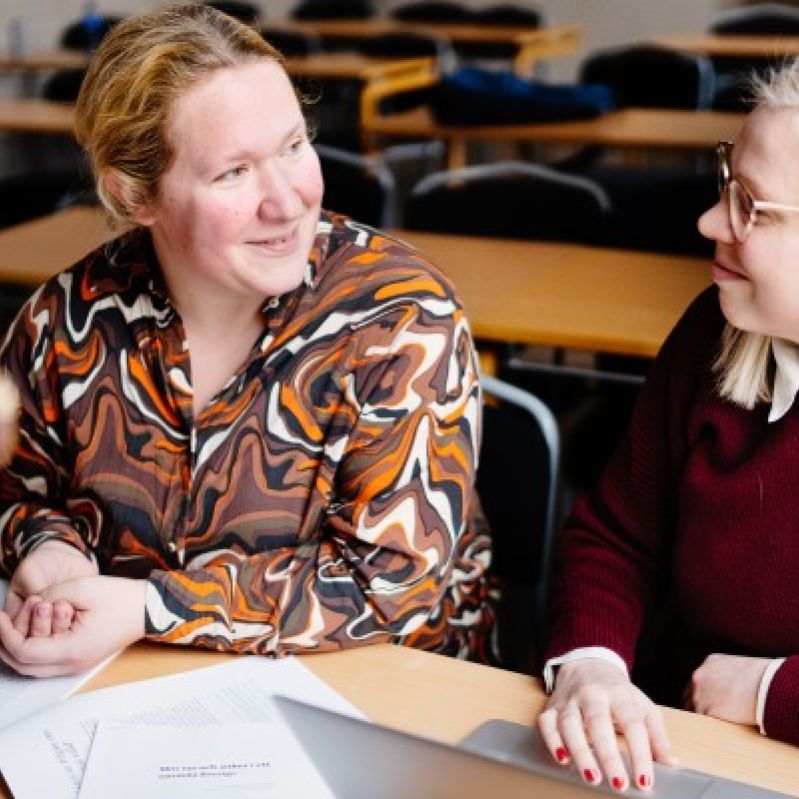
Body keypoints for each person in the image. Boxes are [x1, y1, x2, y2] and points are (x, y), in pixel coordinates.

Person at [0, 4, 494, 677]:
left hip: (379, 692)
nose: (286, 201)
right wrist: (46, 547)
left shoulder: (399, 317)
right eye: (232, 172)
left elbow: (391, 585)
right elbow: (17, 489)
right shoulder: (63, 320)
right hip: (127, 687)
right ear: (134, 195)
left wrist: (150, 607)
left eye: (294, 146)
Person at [539, 58, 799, 794]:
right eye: (726, 183)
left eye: (751, 205)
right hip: (675, 750)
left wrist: (766, 692)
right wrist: (591, 664)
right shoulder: (711, 332)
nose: (709, 221)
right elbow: (615, 536)